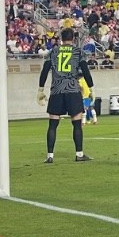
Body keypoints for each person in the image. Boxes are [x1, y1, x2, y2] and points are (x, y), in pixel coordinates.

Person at [37, 25, 93, 164]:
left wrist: (40, 89)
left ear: (61, 39)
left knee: (52, 124)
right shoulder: (78, 51)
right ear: (73, 39)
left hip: (56, 90)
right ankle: (79, 154)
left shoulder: (53, 51)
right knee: (77, 124)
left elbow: (45, 70)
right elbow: (85, 70)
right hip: (73, 90)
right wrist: (91, 88)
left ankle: (50, 156)